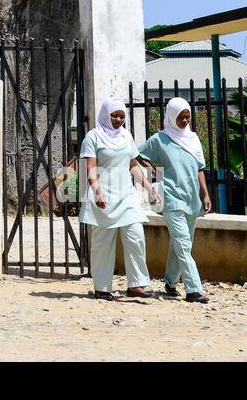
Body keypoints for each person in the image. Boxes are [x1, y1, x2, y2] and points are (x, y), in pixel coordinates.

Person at [79, 96, 155, 301]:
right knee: (103, 242)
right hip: (103, 195)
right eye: (115, 115)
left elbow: (132, 165)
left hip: (127, 196)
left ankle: (137, 284)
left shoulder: (126, 137)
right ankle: (102, 287)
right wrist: (97, 192)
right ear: (106, 115)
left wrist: (148, 187)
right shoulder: (93, 137)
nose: (119, 120)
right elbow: (91, 169)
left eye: (122, 116)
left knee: (136, 236)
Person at [137, 97, 211, 304]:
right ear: (171, 116)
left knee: (180, 244)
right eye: (181, 117)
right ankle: (193, 289)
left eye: (187, 116)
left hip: (191, 198)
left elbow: (200, 169)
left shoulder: (193, 139)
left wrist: (205, 194)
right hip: (170, 198)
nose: (185, 121)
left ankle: (170, 282)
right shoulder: (160, 139)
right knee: (183, 243)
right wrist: (151, 168)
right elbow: (136, 154)